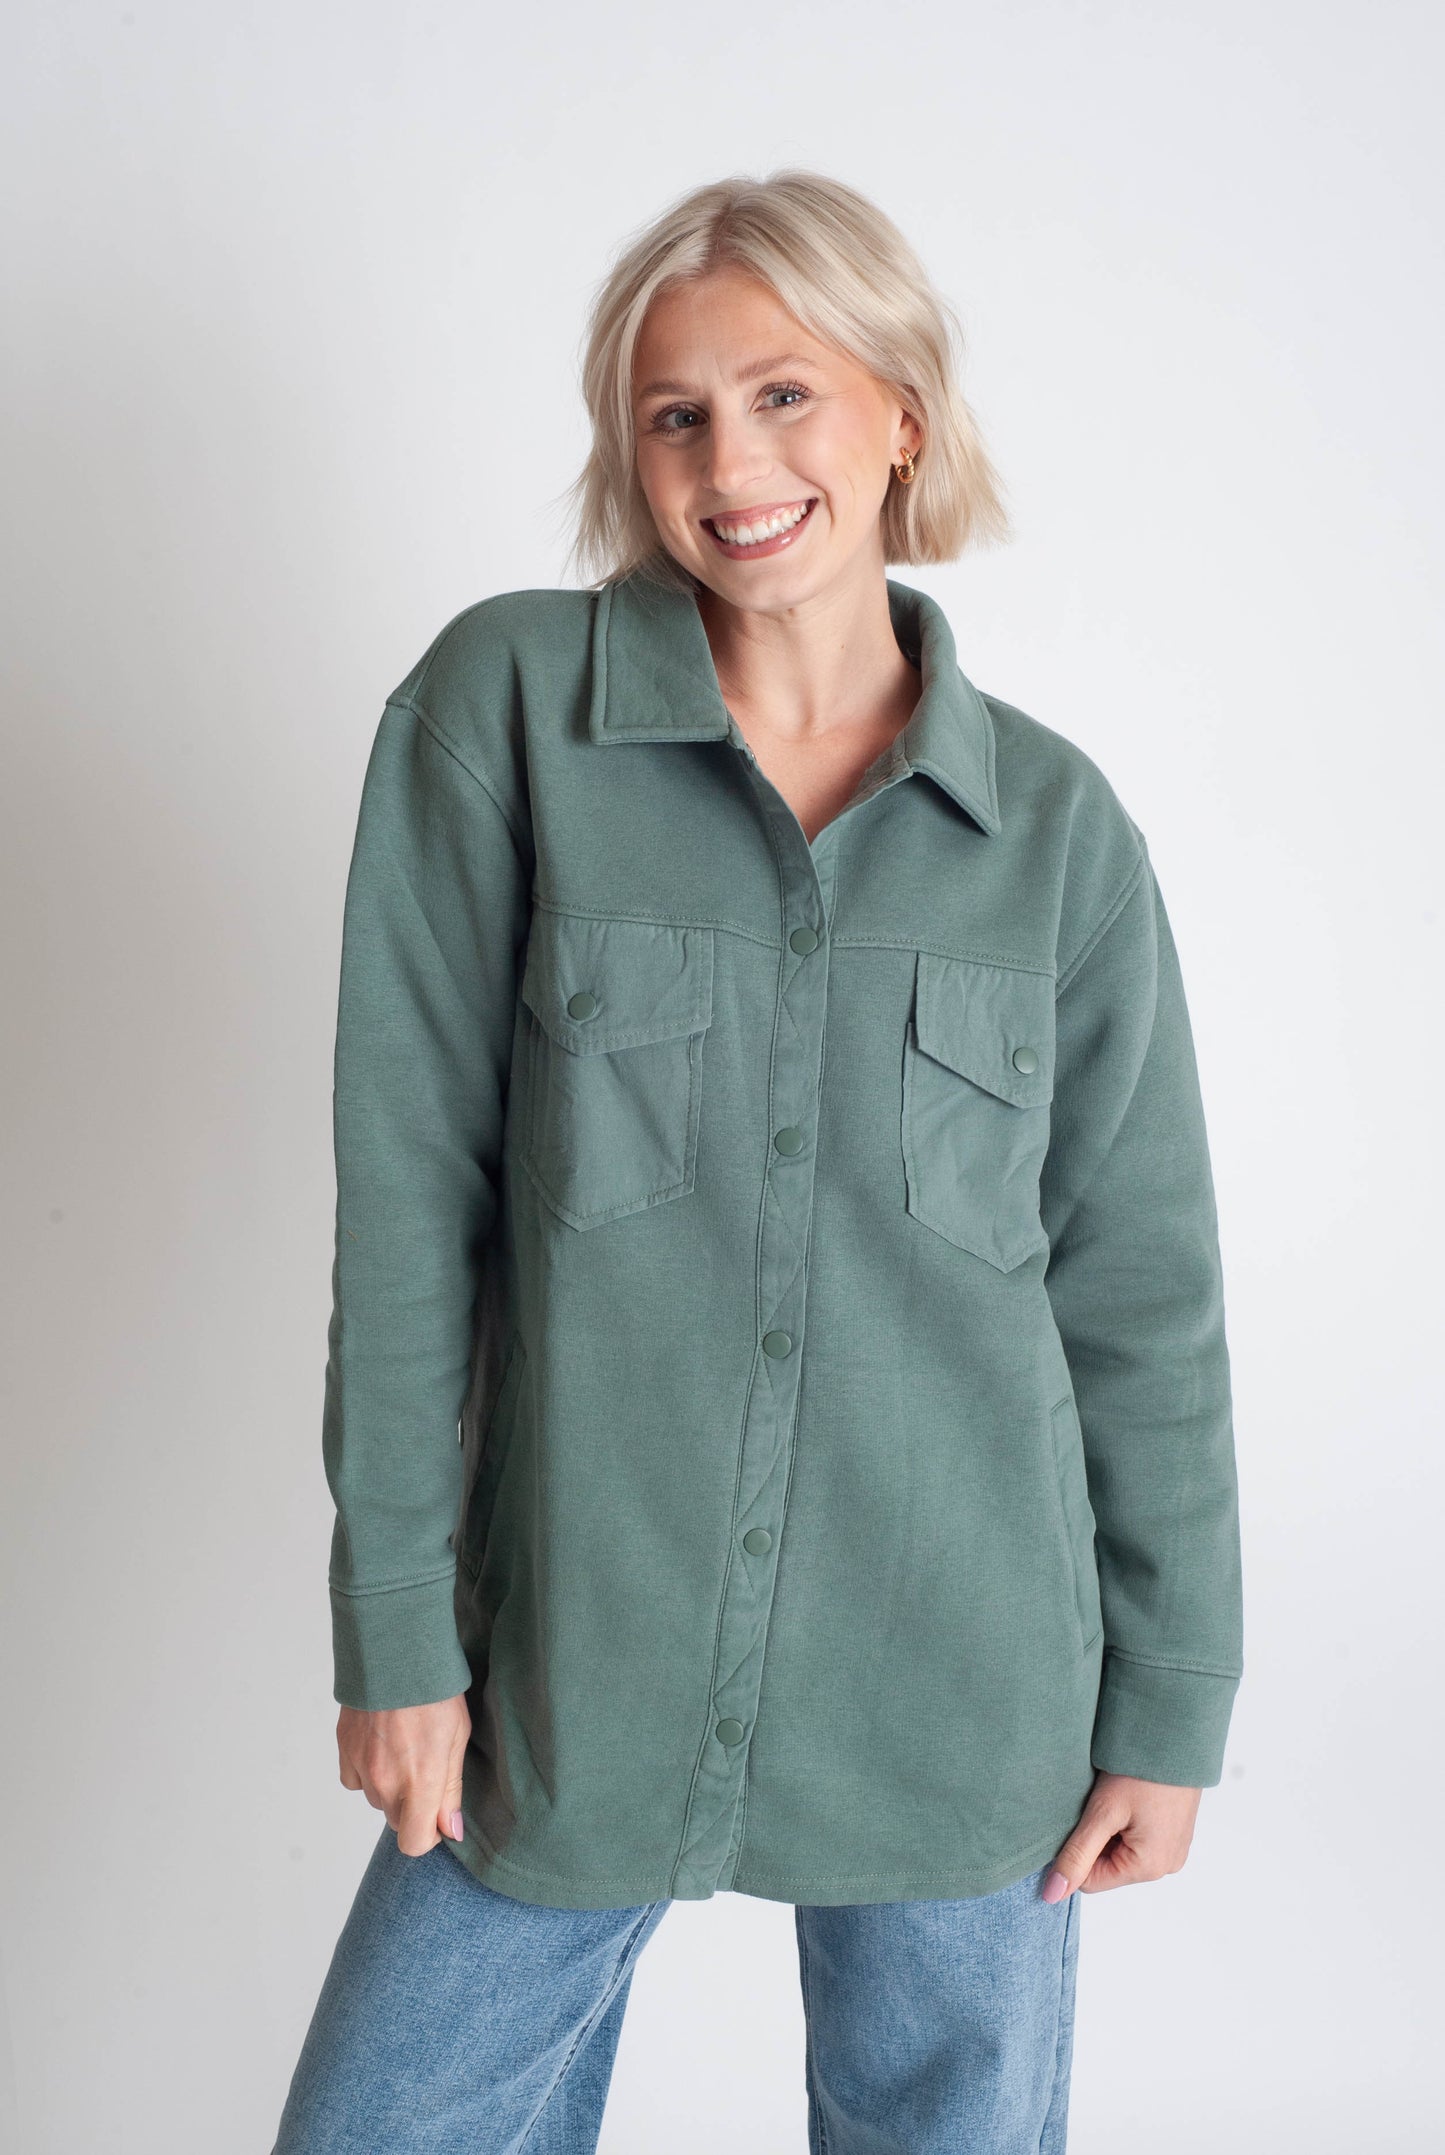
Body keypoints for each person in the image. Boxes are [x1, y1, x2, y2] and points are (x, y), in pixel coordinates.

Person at [271, 167, 1244, 2154]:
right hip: (567, 1670)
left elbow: (1143, 1304)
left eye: (785, 394)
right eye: (676, 413)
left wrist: (1173, 1698)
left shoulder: (1056, 840)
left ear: (900, 409)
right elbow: (408, 1221)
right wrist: (397, 1630)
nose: (733, 463)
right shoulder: (507, 720)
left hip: (966, 1684)